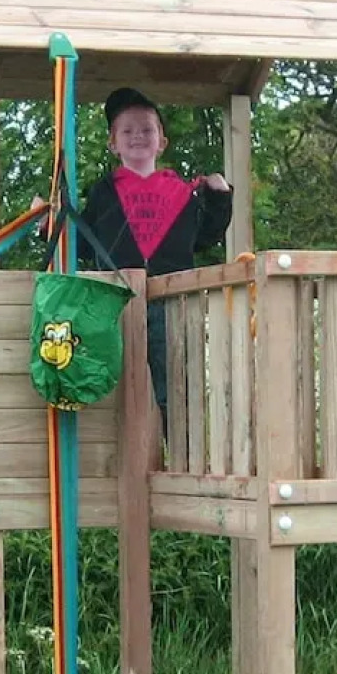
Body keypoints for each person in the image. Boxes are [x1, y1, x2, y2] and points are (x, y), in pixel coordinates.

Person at [53, 86, 233, 427]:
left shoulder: (182, 192)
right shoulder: (103, 193)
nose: (138, 136)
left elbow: (206, 237)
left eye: (147, 129)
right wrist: (52, 222)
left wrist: (220, 196)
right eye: (127, 130)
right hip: (115, 303)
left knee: (175, 390)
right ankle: (119, 466)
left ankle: (179, 461)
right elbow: (84, 245)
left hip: (172, 302)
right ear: (113, 143)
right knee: (114, 389)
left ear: (162, 142)